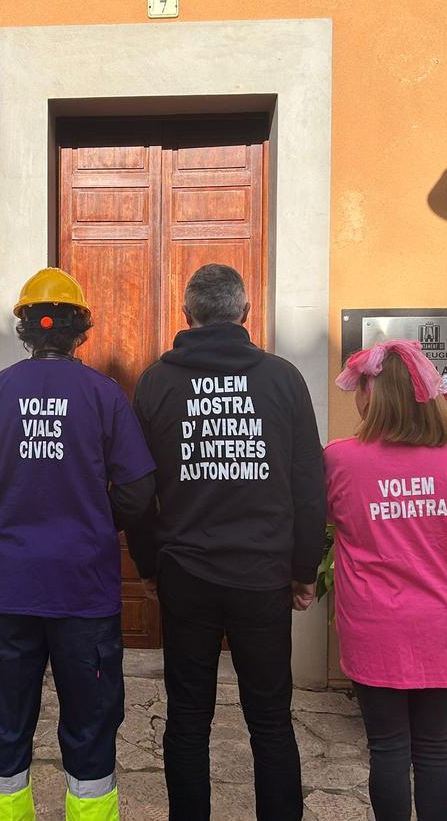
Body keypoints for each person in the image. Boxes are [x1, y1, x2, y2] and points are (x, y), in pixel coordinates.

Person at [0, 268, 156, 821]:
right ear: (79, 331)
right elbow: (137, 491)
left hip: (6, 589)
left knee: (7, 719)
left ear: (26, 330)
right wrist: (95, 520)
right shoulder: (104, 395)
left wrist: (4, 515)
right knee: (91, 721)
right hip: (83, 590)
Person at [126, 263, 327, 821]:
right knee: (270, 718)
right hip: (263, 575)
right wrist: (304, 568)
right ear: (245, 314)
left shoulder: (157, 383)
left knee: (188, 716)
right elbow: (309, 485)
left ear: (187, 316)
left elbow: (138, 491)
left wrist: (147, 565)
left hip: (186, 574)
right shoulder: (282, 379)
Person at [327, 340, 447, 821]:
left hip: (374, 625)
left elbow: (313, 523)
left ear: (373, 397)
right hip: (440, 625)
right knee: (434, 749)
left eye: (361, 388)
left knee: (387, 748)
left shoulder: (340, 460)